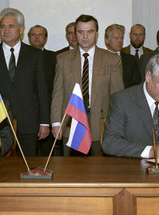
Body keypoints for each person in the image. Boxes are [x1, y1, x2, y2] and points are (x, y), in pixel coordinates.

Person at [51, 14, 124, 156]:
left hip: (101, 124)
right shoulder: (62, 59)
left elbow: (118, 97)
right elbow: (58, 93)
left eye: (89, 32)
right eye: (80, 32)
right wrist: (55, 123)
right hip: (71, 124)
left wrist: (118, 126)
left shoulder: (112, 60)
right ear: (75, 34)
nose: (85, 36)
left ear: (96, 34)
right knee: (71, 172)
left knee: (100, 173)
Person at [0, 8, 50, 156]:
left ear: (21, 29)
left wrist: (44, 122)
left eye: (11, 26)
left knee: (27, 168)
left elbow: (42, 91)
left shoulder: (35, 55)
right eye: (2, 26)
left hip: (28, 123)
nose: (6, 30)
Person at [28, 24, 58, 155]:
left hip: (48, 108)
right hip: (27, 110)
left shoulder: (54, 57)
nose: (36, 37)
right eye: (33, 34)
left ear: (45, 38)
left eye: (40, 35)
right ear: (28, 37)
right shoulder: (20, 56)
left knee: (47, 152)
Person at [105, 24, 140, 88]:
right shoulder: (100, 59)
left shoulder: (131, 60)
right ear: (107, 40)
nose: (120, 41)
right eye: (116, 38)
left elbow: (136, 84)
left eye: (122, 38)